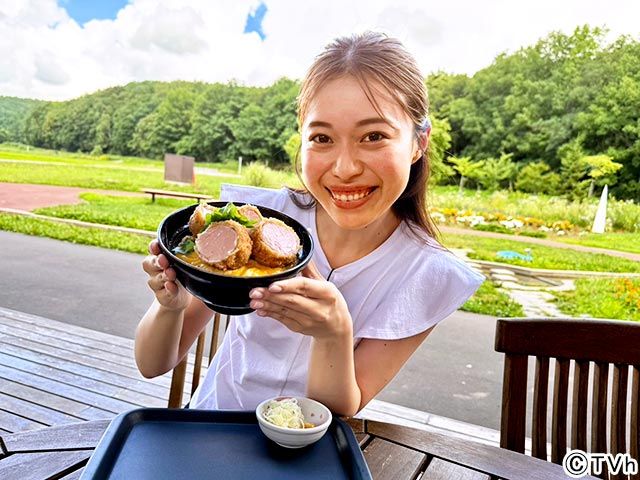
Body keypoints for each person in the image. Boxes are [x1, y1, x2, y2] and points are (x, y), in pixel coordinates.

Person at [135, 32, 484, 416]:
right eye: (321, 137)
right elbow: (152, 365)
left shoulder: (428, 275)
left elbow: (336, 411)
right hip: (209, 429)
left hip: (308, 456)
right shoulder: (251, 222)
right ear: (301, 141)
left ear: (419, 142)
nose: (345, 168)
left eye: (373, 136)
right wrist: (171, 306)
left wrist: (333, 333)